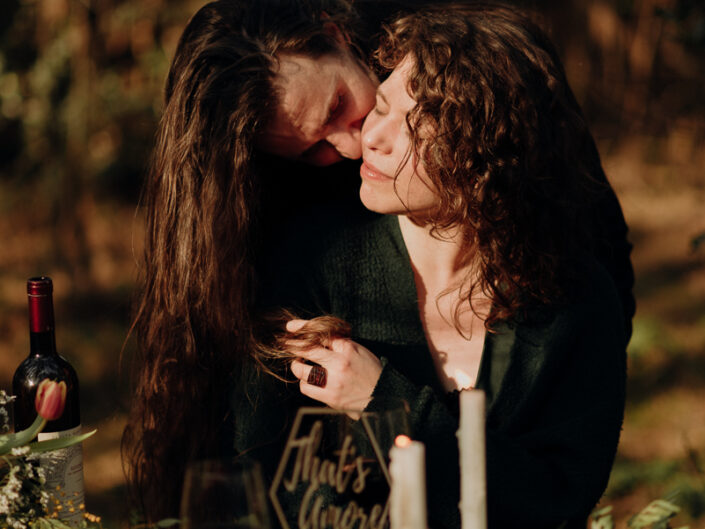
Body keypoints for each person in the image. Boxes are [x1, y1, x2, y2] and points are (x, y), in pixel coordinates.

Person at [122, 0, 633, 523]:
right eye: (309, 151)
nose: (355, 143)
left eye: (342, 105)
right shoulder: (307, 265)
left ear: (338, 33)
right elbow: (278, 483)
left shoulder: (467, 63)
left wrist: (389, 402)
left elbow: (556, 489)